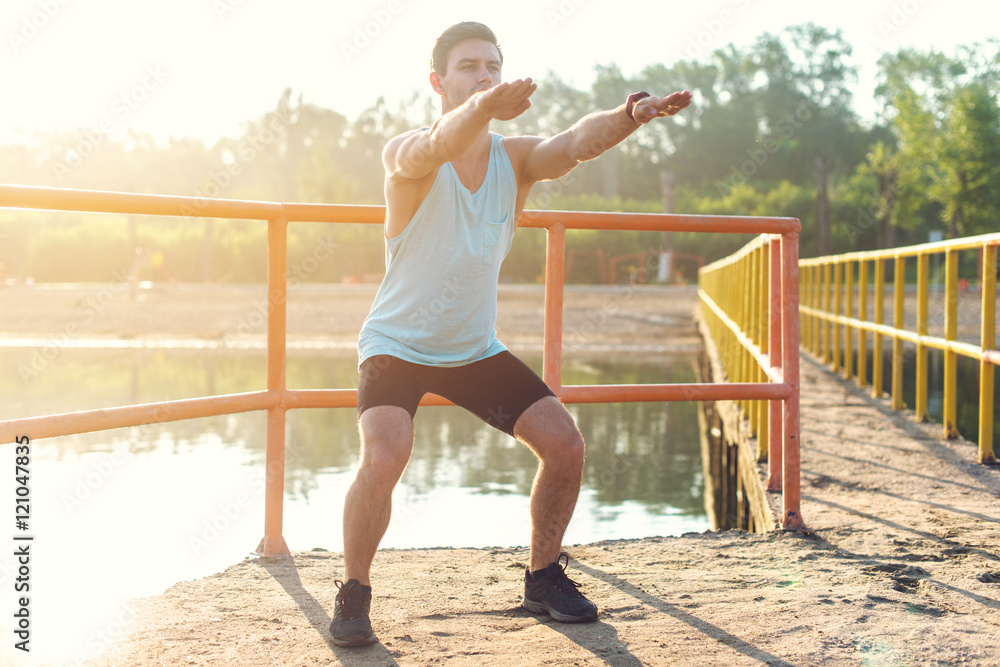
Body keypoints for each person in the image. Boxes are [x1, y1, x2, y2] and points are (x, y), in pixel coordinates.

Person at [330, 21, 691, 647]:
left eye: (493, 65)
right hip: (397, 345)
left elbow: (576, 142)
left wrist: (632, 114)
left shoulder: (515, 158)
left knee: (566, 445)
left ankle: (544, 575)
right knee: (384, 457)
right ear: (439, 82)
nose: (485, 75)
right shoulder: (406, 153)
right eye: (470, 67)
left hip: (474, 349)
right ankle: (355, 591)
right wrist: (477, 109)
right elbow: (434, 146)